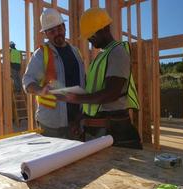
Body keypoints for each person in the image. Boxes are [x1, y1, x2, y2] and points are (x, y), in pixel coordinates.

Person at [59, 8, 142, 149]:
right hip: (99, 128)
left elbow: (111, 93)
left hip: (115, 129)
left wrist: (75, 98)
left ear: (104, 28)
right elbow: (94, 95)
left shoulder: (117, 53)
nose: (90, 39)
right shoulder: (101, 56)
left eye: (92, 34)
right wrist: (80, 119)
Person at [22, 8, 85, 139]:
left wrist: (81, 115)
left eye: (59, 28)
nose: (57, 33)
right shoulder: (41, 54)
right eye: (51, 31)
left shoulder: (76, 52)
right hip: (52, 124)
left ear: (64, 27)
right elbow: (27, 80)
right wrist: (40, 90)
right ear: (45, 34)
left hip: (76, 120)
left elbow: (83, 82)